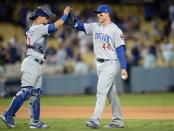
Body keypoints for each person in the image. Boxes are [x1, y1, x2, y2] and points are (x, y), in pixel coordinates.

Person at [0, 5, 71, 128]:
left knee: (36, 93)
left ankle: (35, 122)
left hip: (37, 63)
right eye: (45, 16)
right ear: (38, 18)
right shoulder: (38, 28)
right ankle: (8, 114)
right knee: (26, 91)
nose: (47, 18)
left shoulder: (35, 28)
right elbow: (55, 26)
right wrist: (65, 15)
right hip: (32, 63)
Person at [69, 4, 128, 128]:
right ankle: (118, 121)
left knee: (101, 90)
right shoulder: (95, 26)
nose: (98, 15)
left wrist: (123, 67)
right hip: (99, 64)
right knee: (111, 93)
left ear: (107, 14)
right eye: (97, 13)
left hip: (111, 63)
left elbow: (121, 50)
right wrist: (69, 16)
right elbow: (79, 25)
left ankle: (95, 119)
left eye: (101, 13)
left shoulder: (115, 30)